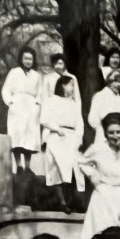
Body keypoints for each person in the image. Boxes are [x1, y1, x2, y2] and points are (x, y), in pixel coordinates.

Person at [78, 112, 120, 239]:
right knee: (103, 233)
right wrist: (93, 176)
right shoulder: (98, 148)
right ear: (105, 133)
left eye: (119, 132)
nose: (115, 136)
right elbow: (81, 162)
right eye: (111, 132)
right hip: (103, 195)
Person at [39, 75, 84, 209]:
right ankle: (62, 202)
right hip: (57, 136)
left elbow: (79, 123)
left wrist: (79, 138)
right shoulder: (51, 101)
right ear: (63, 85)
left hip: (71, 137)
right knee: (57, 169)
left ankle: (71, 201)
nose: (73, 88)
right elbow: (44, 119)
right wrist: (57, 129)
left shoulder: (73, 103)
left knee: (72, 168)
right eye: (71, 85)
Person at [2, 47, 43, 173]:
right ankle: (19, 165)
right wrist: (10, 101)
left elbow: (41, 92)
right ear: (21, 59)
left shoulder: (37, 75)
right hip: (17, 108)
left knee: (29, 138)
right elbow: (6, 89)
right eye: (26, 58)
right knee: (17, 137)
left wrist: (37, 103)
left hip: (31, 108)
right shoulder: (14, 72)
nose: (28, 61)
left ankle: (28, 166)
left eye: (30, 59)